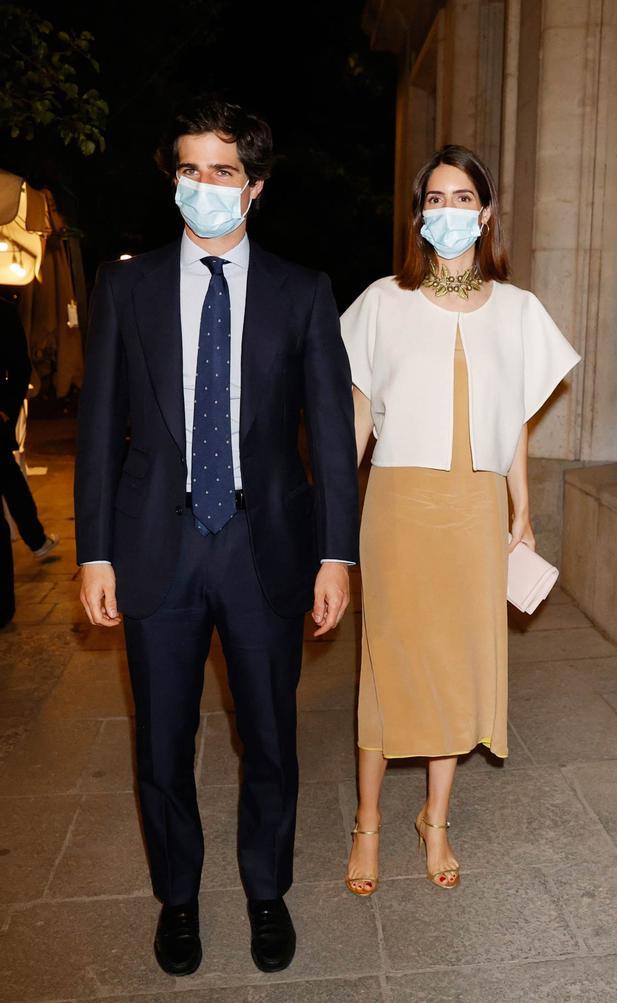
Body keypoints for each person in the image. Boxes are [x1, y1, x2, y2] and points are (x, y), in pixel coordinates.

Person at [74, 96, 359, 976]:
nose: (203, 185)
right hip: (155, 544)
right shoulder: (126, 287)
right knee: (160, 741)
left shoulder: (302, 293)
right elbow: (99, 427)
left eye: (222, 171)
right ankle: (179, 897)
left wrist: (338, 553)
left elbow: (331, 434)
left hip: (261, 542)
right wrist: (93, 549)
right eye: (189, 169)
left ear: (255, 187)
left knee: (270, 734)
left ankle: (266, 889)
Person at [340, 145, 580, 896]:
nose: (449, 211)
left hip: (474, 507)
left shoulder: (516, 309)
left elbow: (511, 424)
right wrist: (330, 526)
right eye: (434, 198)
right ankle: (370, 822)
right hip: (397, 507)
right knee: (386, 663)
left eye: (462, 196)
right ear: (420, 215)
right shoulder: (382, 301)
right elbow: (355, 416)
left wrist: (522, 507)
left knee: (454, 663)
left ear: (487, 211)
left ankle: (435, 819)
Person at [1, 293, 59, 627]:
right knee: (9, 477)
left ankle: (3, 606)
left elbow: (20, 367)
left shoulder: (4, 312)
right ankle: (36, 538)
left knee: (8, 478)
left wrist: (6, 410)